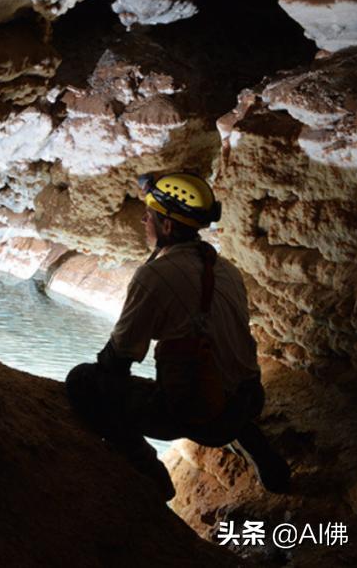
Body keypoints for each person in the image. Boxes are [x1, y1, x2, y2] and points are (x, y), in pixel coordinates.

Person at [65, 171, 291, 501]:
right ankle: (269, 464)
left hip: (207, 417)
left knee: (84, 381)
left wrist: (108, 375)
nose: (144, 219)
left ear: (167, 227)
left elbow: (118, 359)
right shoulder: (225, 268)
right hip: (250, 398)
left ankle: (149, 471)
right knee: (218, 380)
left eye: (149, 215)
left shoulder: (155, 275)